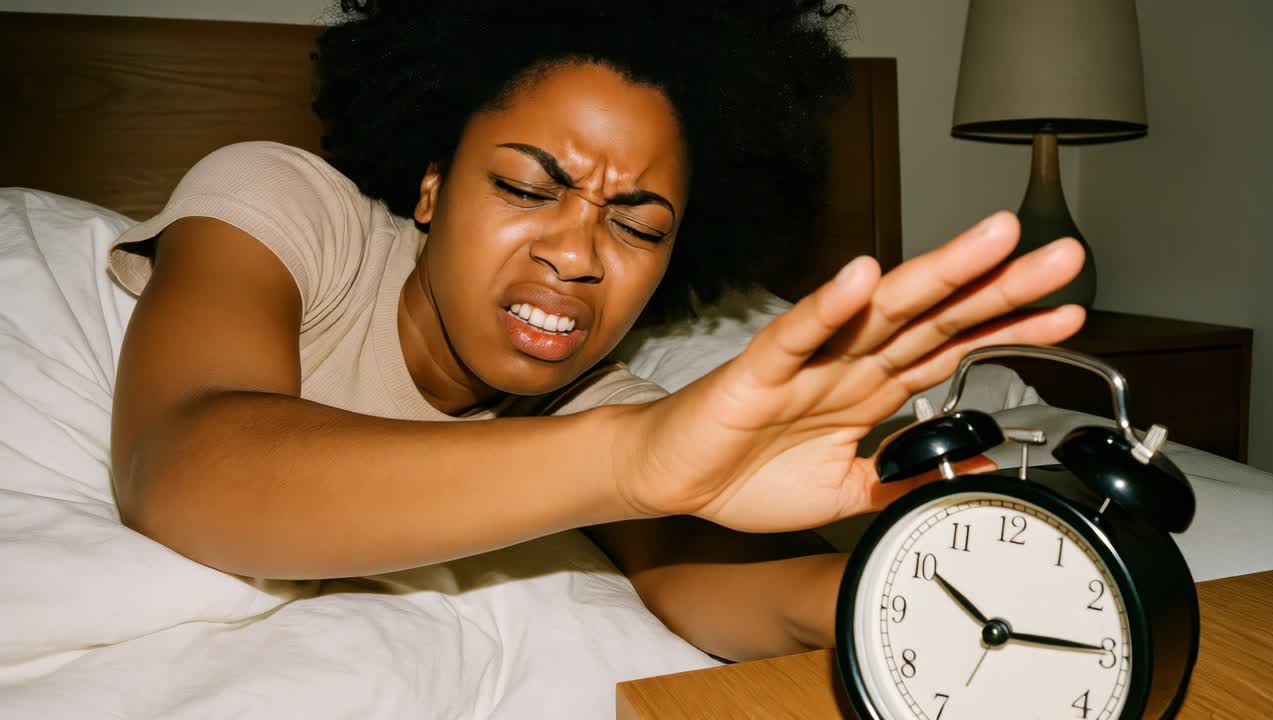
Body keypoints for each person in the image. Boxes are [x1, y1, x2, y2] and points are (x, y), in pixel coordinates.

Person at [107, 0, 1085, 664]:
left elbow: (701, 578)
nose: (577, 253)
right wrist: (628, 458)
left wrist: (926, 593)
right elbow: (180, 458)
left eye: (637, 224)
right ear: (431, 184)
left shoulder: (598, 402)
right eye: (529, 187)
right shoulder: (287, 208)